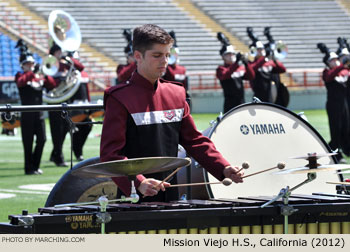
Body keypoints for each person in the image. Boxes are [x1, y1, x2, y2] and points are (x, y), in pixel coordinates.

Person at [100, 24, 244, 202]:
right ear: (138, 56)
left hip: (172, 193)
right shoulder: (119, 98)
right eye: (157, 55)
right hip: (134, 197)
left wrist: (223, 168)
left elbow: (194, 141)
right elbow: (110, 155)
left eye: (167, 55)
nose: (165, 61)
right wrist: (138, 182)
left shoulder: (176, 93)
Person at [15, 41, 56, 175]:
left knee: (42, 139)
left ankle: (35, 165)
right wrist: (33, 73)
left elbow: (51, 85)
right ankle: (28, 168)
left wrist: (45, 73)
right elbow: (21, 83)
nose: (30, 66)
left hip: (39, 115)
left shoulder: (38, 78)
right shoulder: (20, 76)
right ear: (23, 66)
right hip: (26, 114)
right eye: (27, 64)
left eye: (31, 64)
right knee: (28, 143)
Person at [48, 43, 85, 167]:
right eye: (58, 52)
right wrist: (59, 81)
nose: (60, 54)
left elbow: (80, 67)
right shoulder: (49, 64)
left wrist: (70, 59)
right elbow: (48, 83)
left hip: (65, 100)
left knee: (65, 128)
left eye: (60, 51)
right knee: (56, 130)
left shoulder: (65, 63)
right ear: (53, 53)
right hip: (54, 101)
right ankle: (58, 157)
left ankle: (55, 153)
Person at [322, 51, 350, 163]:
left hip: (344, 104)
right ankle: (336, 153)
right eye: (332, 60)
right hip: (333, 105)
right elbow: (329, 78)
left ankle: (346, 150)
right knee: (336, 129)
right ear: (328, 63)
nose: (335, 61)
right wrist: (342, 66)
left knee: (346, 127)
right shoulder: (327, 72)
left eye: (336, 59)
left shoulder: (343, 72)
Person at [216, 39, 255, 113]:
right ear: (223, 57)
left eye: (232, 54)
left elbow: (251, 76)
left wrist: (246, 63)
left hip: (241, 102)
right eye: (228, 54)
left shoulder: (238, 68)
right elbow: (225, 75)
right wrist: (236, 63)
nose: (231, 56)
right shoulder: (220, 69)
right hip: (229, 104)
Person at [162, 31, 191, 108]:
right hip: (168, 97)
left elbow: (185, 85)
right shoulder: (165, 68)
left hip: (180, 97)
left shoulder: (182, 69)